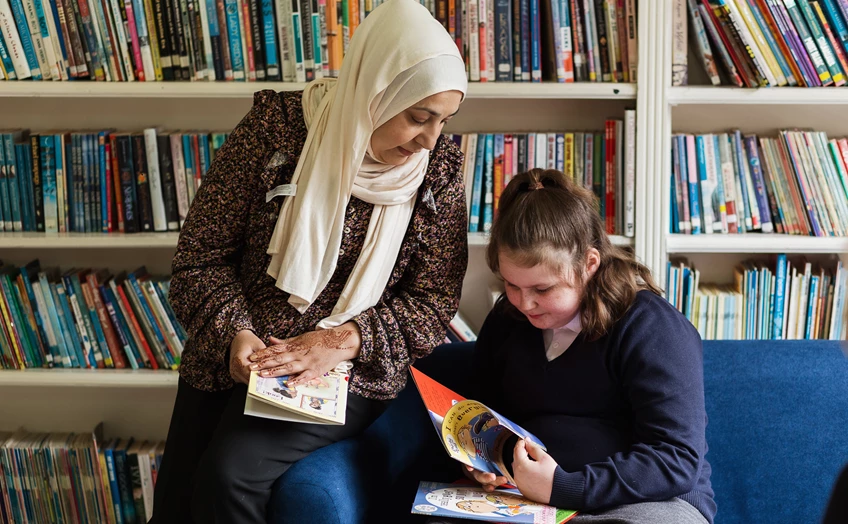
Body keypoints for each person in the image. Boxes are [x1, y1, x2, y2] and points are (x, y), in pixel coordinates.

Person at [149, 0, 468, 522]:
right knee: (180, 502)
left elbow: (432, 302)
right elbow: (200, 257)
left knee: (230, 476)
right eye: (419, 117)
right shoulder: (277, 129)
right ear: (376, 90)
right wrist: (236, 335)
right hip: (239, 349)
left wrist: (339, 341)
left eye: (445, 120)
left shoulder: (439, 171)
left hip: (348, 366)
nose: (430, 139)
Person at [461, 168, 716, 523]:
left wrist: (563, 487)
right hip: (525, 500)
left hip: (646, 503)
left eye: (543, 289)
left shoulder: (651, 325)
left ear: (589, 264)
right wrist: (482, 460)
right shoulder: (508, 318)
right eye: (512, 285)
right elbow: (481, 415)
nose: (524, 303)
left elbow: (676, 459)